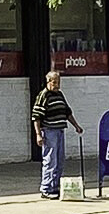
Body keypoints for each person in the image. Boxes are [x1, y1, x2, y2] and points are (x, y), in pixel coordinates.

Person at [32, 70, 76, 198]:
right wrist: (38, 134)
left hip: (60, 130)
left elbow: (67, 112)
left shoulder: (60, 95)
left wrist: (76, 126)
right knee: (50, 160)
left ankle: (55, 186)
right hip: (49, 131)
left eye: (59, 82)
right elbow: (36, 117)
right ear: (49, 82)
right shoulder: (43, 95)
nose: (57, 85)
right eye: (55, 82)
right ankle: (46, 188)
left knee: (60, 160)